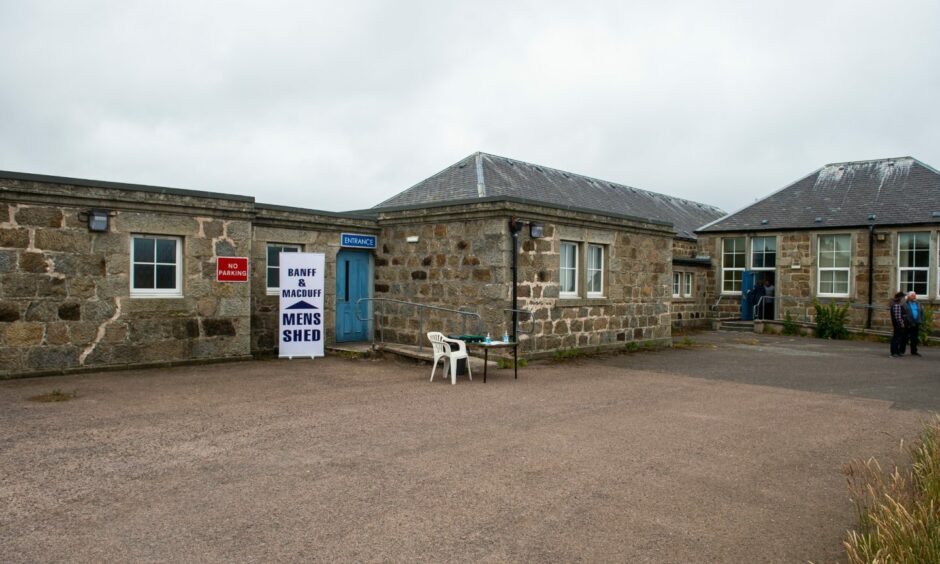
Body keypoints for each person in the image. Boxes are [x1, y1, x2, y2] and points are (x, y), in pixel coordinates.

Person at [901, 291, 922, 357]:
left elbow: (921, 312)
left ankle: (914, 351)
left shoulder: (918, 303)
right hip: (907, 323)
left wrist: (920, 319)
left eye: (915, 296)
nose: (914, 297)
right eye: (913, 296)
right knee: (904, 337)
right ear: (909, 297)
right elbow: (903, 314)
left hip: (916, 322)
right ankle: (901, 351)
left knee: (914, 338)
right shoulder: (904, 304)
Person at [889, 291, 906, 357]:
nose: (904, 299)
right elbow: (898, 317)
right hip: (898, 324)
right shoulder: (897, 305)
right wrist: (902, 324)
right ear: (900, 298)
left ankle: (896, 351)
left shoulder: (896, 305)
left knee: (898, 338)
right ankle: (894, 352)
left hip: (897, 324)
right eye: (903, 298)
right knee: (896, 338)